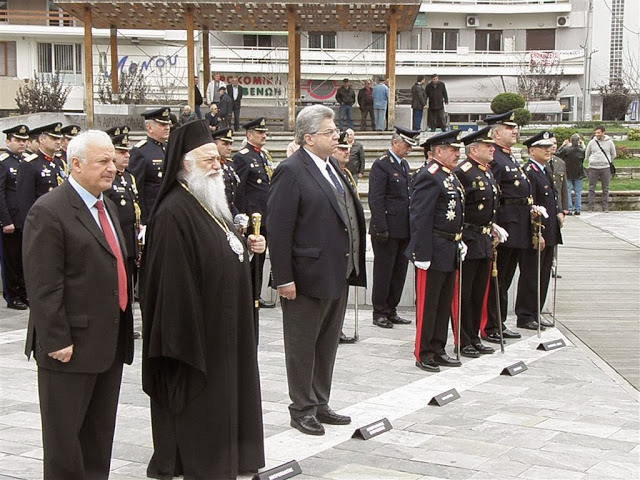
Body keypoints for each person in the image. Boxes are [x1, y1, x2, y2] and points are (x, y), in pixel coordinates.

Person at [140, 120, 265, 479]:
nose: (217, 165)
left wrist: (249, 248)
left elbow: (222, 250)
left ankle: (233, 456)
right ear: (184, 163)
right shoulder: (172, 212)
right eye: (209, 158)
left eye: (217, 158)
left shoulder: (208, 202)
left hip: (228, 328)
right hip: (199, 337)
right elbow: (171, 283)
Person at [23, 130, 134, 479]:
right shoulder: (49, 211)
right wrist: (56, 340)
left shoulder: (108, 207)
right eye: (102, 161)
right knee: (64, 443)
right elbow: (44, 284)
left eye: (112, 160)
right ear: (76, 164)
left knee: (98, 437)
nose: (111, 168)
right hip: (69, 347)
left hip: (107, 344)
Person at [267, 105, 366, 436]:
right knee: (302, 345)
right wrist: (283, 278)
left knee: (326, 344)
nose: (336, 134)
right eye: (329, 131)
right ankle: (302, 407)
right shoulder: (291, 171)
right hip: (305, 277)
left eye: (335, 129)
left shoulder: (331, 168)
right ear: (308, 138)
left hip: (336, 273)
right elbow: (279, 228)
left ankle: (320, 401)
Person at [407, 130, 465, 372]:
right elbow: (420, 216)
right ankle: (424, 352)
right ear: (438, 151)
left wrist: (459, 239)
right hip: (432, 248)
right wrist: (421, 254)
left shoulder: (449, 176)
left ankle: (439, 348)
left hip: (449, 246)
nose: (457, 154)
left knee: (443, 303)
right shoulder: (429, 176)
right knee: (429, 304)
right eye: (453, 150)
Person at [454, 127, 504, 358]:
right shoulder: (463, 172)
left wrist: (493, 226)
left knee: (477, 294)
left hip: (484, 239)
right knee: (465, 295)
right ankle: (463, 339)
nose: (492, 149)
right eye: (487, 146)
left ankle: (474, 336)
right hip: (469, 238)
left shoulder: (486, 171)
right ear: (473, 149)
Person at [481, 111, 526, 338]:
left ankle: (500, 322)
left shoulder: (508, 156)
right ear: (496, 133)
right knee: (497, 280)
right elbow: (491, 196)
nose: (515, 131)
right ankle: (491, 325)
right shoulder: (495, 158)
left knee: (505, 279)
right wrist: (493, 226)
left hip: (516, 227)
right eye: (510, 128)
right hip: (504, 226)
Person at [369, 126, 419, 329]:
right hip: (387, 229)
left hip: (403, 228)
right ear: (395, 142)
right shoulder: (382, 165)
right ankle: (379, 311)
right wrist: (381, 227)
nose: (409, 149)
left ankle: (392, 309)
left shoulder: (404, 165)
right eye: (406, 145)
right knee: (384, 272)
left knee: (399, 272)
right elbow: (376, 198)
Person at [515, 131, 562, 329]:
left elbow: (552, 197)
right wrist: (537, 233)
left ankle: (535, 311)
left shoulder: (544, 169)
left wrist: (559, 212)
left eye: (549, 146)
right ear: (531, 150)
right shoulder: (530, 171)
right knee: (532, 274)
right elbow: (531, 205)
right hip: (537, 232)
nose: (548, 150)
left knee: (543, 275)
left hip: (549, 229)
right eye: (543, 147)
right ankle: (525, 315)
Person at [233, 118, 274, 308]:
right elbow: (239, 190)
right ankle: (247, 295)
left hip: (264, 216)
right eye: (259, 132)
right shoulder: (242, 157)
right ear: (249, 135)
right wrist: (242, 218)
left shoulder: (263, 155)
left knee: (260, 257)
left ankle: (256, 294)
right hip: (251, 217)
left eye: (264, 132)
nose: (263, 135)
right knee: (250, 260)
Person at [104, 127, 141, 305]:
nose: (126, 155)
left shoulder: (129, 177)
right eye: (121, 152)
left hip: (130, 239)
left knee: (130, 283)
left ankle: (128, 326)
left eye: (127, 151)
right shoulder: (108, 178)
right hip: (117, 238)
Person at [15, 122, 67, 230]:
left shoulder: (60, 163)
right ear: (42, 140)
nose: (58, 142)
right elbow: (25, 201)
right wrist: (31, 227)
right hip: (41, 221)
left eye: (59, 138)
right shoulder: (30, 164)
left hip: (61, 219)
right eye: (53, 138)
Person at [0, 124, 30, 310]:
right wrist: (6, 220)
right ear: (8, 141)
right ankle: (12, 296)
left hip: (25, 220)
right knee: (10, 261)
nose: (22, 144)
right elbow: (1, 193)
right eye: (18, 140)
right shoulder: (3, 163)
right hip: (10, 220)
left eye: (24, 140)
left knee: (23, 259)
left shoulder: (26, 161)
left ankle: (24, 292)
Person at [128, 107, 171, 226]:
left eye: (167, 124)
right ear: (149, 127)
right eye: (162, 124)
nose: (167, 127)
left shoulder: (169, 149)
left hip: (169, 212)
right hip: (153, 214)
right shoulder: (141, 152)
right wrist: (143, 220)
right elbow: (137, 189)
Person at [585, 125, 616, 212]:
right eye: (595, 133)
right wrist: (592, 161)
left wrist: (607, 161)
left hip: (605, 167)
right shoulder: (592, 142)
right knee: (591, 188)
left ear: (603, 132)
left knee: (605, 188)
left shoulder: (609, 142)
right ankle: (590, 207)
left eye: (598, 133)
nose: (597, 134)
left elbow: (613, 154)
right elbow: (587, 154)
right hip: (593, 167)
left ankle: (605, 207)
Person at [212, 127, 241, 215]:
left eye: (230, 144)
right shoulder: (211, 166)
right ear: (214, 145)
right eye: (225, 144)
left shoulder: (229, 165)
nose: (229, 148)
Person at [557, 133, 586, 215]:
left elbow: (558, 154)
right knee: (578, 192)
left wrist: (562, 145)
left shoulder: (566, 149)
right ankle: (578, 209)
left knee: (568, 191)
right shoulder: (581, 150)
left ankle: (569, 208)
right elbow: (584, 156)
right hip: (578, 173)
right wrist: (583, 145)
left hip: (568, 172)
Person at [549, 136, 569, 216]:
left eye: (555, 143)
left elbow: (564, 186)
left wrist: (565, 207)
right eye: (551, 144)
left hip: (558, 204)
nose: (554, 146)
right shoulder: (541, 163)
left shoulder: (560, 163)